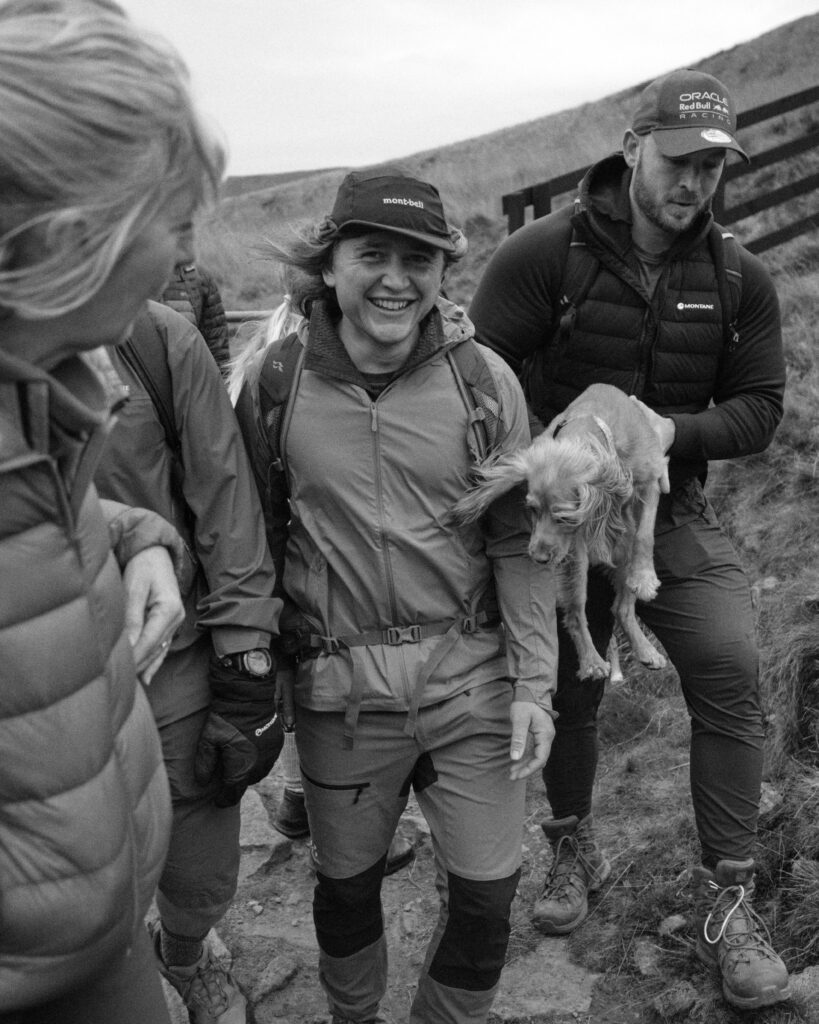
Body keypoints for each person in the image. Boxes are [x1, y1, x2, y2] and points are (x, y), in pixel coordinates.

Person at [468, 69, 789, 1010]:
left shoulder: (736, 277)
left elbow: (759, 409)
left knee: (728, 664)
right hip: (558, 515)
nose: (693, 183)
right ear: (631, 148)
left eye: (711, 168)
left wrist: (668, 432)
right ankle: (573, 846)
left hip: (667, 513)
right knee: (569, 681)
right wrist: (533, 482)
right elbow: (474, 383)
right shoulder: (541, 256)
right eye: (677, 161)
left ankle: (730, 899)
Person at [234, 167, 557, 1024]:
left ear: (444, 269)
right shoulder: (275, 385)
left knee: (487, 900)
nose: (395, 279)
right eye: (371, 254)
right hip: (338, 694)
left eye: (418, 259)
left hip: (472, 681)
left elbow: (518, 540)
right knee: (346, 890)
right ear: (329, 264)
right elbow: (252, 540)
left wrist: (535, 685)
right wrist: (260, 682)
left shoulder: (483, 382)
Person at [0, 1, 224, 1022]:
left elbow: (38, 527)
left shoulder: (37, 385)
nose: (181, 260)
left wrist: (141, 542)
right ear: (72, 241)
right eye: (170, 224)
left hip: (103, 933)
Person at [92, 298, 282, 1024]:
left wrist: (245, 662)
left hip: (170, 652)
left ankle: (185, 952)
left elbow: (224, 497)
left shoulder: (154, 338)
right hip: (28, 673)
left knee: (198, 837)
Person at [228, 281, 416, 877]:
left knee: (302, 679)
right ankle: (347, 822)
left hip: (284, 564)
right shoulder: (289, 364)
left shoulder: (264, 353)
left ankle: (300, 798)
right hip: (314, 567)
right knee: (322, 683)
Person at [161, 236, 231, 374]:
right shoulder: (126, 275)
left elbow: (216, 346)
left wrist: (220, 382)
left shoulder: (198, 277)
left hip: (187, 378)